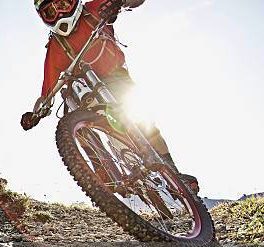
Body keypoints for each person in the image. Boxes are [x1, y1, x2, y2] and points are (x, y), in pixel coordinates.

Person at [21, 0, 199, 191]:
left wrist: (119, 3)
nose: (59, 14)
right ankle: (101, 169)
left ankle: (174, 173)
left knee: (141, 118)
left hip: (113, 74)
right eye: (50, 12)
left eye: (63, 3)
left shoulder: (91, 10)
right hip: (84, 87)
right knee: (69, 115)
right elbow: (47, 90)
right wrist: (35, 113)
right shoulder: (56, 45)